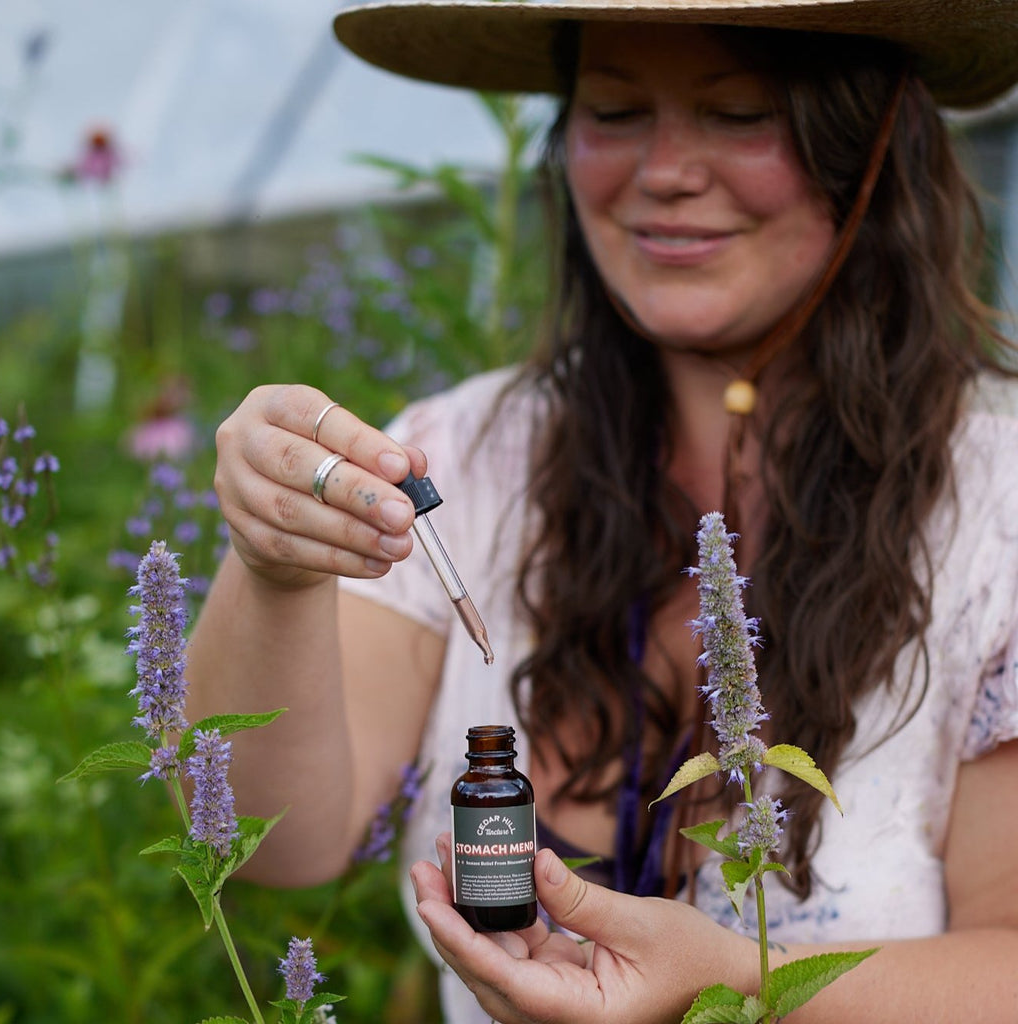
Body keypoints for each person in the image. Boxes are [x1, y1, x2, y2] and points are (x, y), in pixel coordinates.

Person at [185, 0, 1018, 1020]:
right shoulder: (460, 460)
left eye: (740, 113)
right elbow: (267, 839)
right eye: (615, 112)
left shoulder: (997, 504)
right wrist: (272, 567)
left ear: (869, 141)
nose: (664, 170)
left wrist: (728, 982)